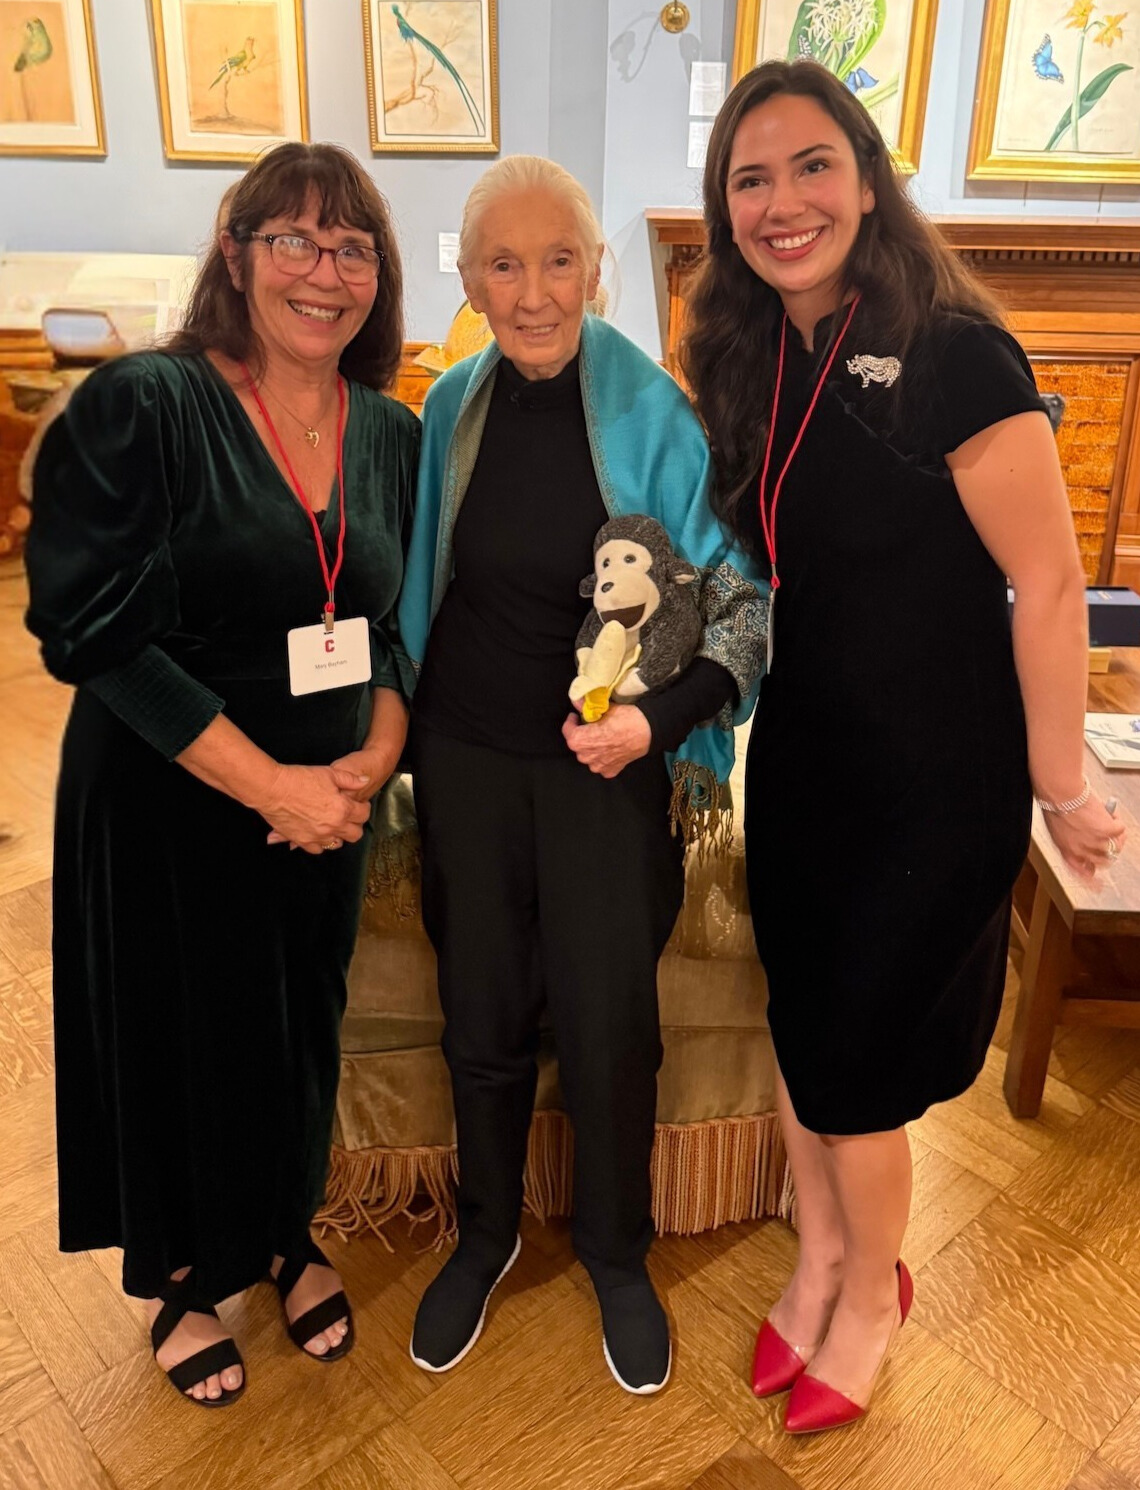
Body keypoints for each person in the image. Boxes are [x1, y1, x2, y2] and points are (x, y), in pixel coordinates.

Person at [681, 59, 1121, 1435]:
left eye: (812, 165)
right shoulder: (758, 352)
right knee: (808, 1039)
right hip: (807, 755)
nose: (782, 201)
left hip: (935, 782)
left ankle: (871, 1285)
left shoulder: (952, 349)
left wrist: (1064, 781)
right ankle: (817, 1255)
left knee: (863, 1069)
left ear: (867, 178)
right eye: (750, 179)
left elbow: (1048, 585)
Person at [25, 142, 419, 1407]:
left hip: (332, 793)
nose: (324, 270)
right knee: (180, 1028)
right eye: (293, 239)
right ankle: (191, 1273)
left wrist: (373, 756)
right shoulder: (142, 405)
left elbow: (402, 618)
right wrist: (273, 786)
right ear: (236, 253)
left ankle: (285, 1230)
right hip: (168, 791)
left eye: (352, 246)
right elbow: (92, 631)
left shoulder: (393, 433)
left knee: (299, 1019)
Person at [398, 155, 766, 1395]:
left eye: (560, 259)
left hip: (606, 770)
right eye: (504, 262)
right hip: (463, 759)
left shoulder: (659, 415)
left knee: (610, 1021)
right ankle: (487, 1230)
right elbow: (413, 590)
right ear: (470, 276)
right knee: (483, 1013)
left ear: (598, 269)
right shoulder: (450, 407)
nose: (535, 289)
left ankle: (616, 1249)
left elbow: (739, 601)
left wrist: (656, 724)